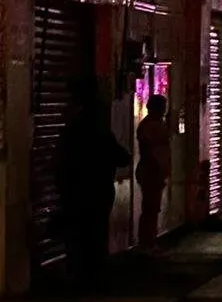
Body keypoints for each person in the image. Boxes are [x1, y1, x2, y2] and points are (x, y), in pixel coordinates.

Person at [59, 82, 131, 290]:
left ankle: (79, 275)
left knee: (78, 234)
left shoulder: (73, 131)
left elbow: (63, 161)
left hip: (76, 192)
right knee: (96, 233)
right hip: (98, 191)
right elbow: (122, 157)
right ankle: (93, 277)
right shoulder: (101, 133)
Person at [135, 94, 172, 250]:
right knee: (150, 208)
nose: (164, 110)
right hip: (151, 171)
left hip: (155, 170)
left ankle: (149, 240)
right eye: (162, 106)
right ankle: (147, 242)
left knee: (152, 207)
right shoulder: (150, 126)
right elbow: (149, 150)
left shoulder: (155, 124)